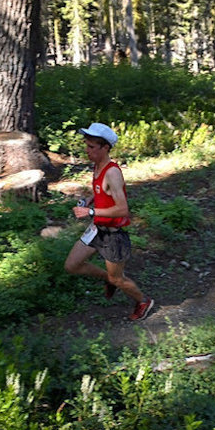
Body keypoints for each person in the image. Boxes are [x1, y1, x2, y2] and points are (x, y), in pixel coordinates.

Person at [64, 123, 154, 321]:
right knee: (72, 265)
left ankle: (143, 301)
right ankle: (109, 279)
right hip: (97, 229)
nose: (86, 151)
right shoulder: (97, 166)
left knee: (118, 278)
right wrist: (91, 199)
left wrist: (90, 210)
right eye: (86, 146)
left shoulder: (112, 173)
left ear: (105, 148)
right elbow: (103, 193)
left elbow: (123, 209)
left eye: (91, 147)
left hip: (114, 235)